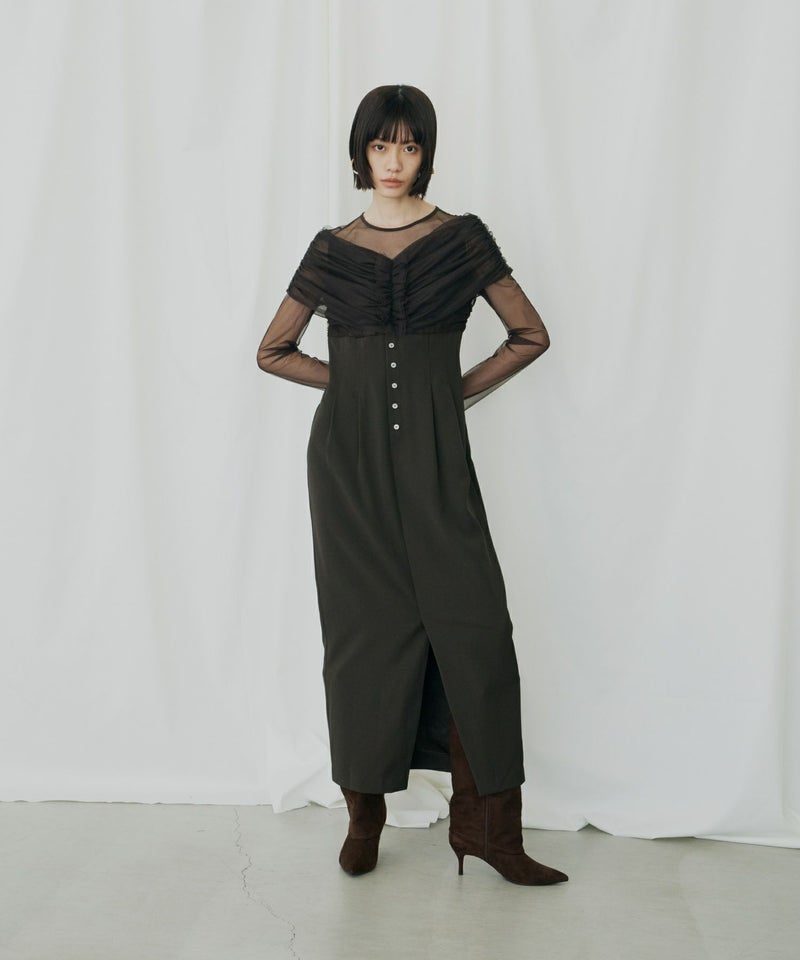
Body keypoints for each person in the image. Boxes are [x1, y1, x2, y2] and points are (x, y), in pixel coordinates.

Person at [256, 84, 567, 886]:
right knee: (362, 638)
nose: (393, 161)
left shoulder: (462, 239)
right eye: (380, 145)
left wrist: (448, 394)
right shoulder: (331, 249)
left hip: (437, 458)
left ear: (427, 153)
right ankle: (365, 818)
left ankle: (491, 832)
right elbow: (273, 350)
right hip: (347, 467)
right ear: (360, 153)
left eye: (409, 145)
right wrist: (352, 386)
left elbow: (528, 333)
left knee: (477, 633)